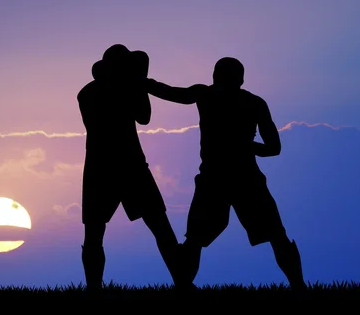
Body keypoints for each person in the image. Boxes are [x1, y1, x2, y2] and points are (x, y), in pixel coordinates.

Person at [145, 57, 308, 292]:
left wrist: (143, 81)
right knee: (272, 235)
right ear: (241, 79)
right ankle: (298, 286)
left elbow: (173, 93)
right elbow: (273, 148)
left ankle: (298, 285)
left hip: (224, 178)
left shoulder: (209, 95)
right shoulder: (251, 102)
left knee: (198, 239)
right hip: (238, 178)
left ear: (216, 76)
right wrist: (248, 147)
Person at [77, 44, 182, 291]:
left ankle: (93, 289)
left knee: (94, 233)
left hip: (99, 167)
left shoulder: (87, 92)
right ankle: (183, 284)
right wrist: (138, 83)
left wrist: (136, 82)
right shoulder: (126, 87)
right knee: (160, 227)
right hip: (129, 165)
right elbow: (144, 117)